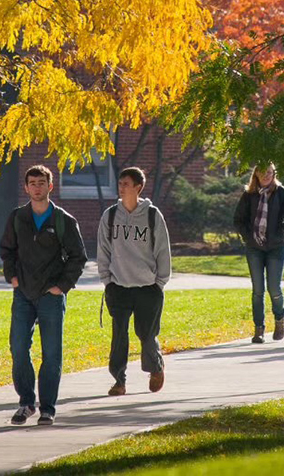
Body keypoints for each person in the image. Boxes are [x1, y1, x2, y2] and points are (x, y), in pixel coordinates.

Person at [0, 164, 87, 426]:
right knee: (18, 347)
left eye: (42, 183)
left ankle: (47, 407)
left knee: (51, 352)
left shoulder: (64, 220)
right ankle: (26, 402)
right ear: (26, 187)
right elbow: (7, 250)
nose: (37, 187)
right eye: (32, 183)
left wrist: (62, 286)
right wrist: (11, 277)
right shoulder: (17, 217)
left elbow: (78, 257)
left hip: (51, 295)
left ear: (51, 186)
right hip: (23, 294)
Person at [96, 166, 172, 396]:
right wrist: (107, 280)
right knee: (119, 335)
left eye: (126, 184)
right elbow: (103, 249)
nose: (121, 188)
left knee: (147, 335)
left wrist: (159, 282)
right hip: (118, 286)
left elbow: (162, 250)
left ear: (138, 187)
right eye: (120, 184)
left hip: (148, 288)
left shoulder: (152, 215)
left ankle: (155, 367)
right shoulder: (110, 215)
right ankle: (119, 380)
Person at [233, 163, 284, 343]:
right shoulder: (249, 195)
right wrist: (249, 237)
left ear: (274, 174)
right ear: (256, 174)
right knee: (257, 290)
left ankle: (279, 319)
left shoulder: (281, 193)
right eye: (263, 173)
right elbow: (238, 220)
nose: (266, 176)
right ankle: (259, 329)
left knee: (274, 288)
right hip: (254, 248)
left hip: (276, 247)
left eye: (270, 173)